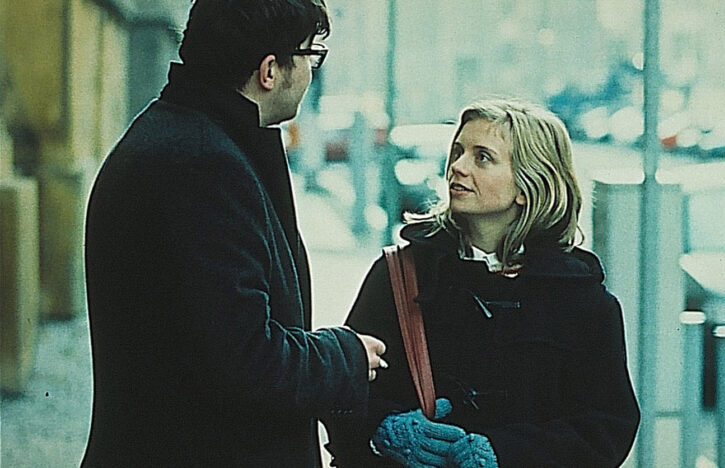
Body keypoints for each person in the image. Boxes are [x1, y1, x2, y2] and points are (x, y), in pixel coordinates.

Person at [82, 1, 387, 466]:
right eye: (311, 55)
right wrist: (346, 357)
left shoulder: (185, 138)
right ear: (270, 71)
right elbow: (245, 359)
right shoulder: (202, 164)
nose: (312, 72)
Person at [325, 98, 640, 467]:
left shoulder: (581, 299)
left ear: (527, 185)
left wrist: (505, 454)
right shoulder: (399, 274)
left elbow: (606, 428)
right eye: (458, 151)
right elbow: (342, 390)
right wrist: (385, 430)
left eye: (482, 157)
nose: (457, 167)